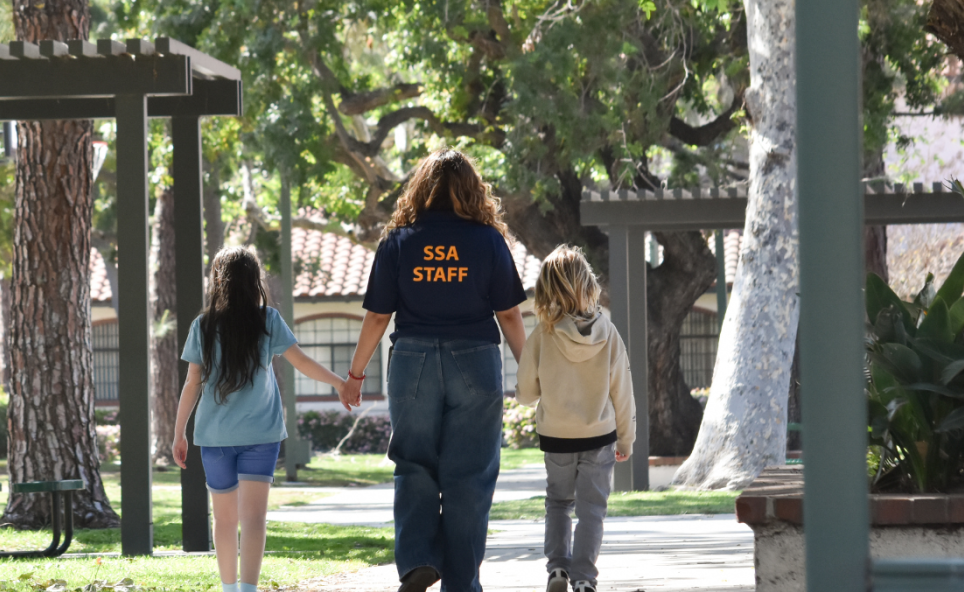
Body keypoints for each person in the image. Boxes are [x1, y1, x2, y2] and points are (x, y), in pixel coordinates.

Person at [340, 149, 529, 592]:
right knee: (470, 476)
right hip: (476, 361)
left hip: (412, 361)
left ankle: (419, 561)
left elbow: (375, 318)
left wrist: (354, 375)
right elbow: (511, 317)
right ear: (472, 188)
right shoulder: (487, 241)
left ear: (420, 187)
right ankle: (462, 583)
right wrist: (533, 372)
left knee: (413, 465)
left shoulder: (399, 240)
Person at [171, 247, 349, 592]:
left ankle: (228, 588)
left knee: (224, 520)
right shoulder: (268, 320)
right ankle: (248, 589)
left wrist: (180, 432)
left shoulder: (204, 325)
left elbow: (192, 381)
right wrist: (339, 384)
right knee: (253, 519)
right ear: (255, 281)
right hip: (261, 435)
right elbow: (301, 362)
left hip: (215, 437)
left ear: (218, 280)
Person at [515, 245, 636, 592]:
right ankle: (584, 578)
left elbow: (526, 393)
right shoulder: (609, 334)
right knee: (592, 509)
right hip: (599, 437)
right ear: (588, 286)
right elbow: (622, 393)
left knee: (558, 502)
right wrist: (626, 439)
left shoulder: (542, 334)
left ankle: (557, 570)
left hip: (556, 436)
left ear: (548, 289)